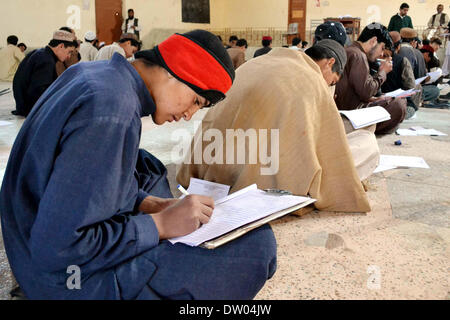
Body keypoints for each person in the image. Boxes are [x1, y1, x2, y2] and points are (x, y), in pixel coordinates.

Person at [0, 29, 277, 300]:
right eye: (195, 101)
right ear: (174, 71)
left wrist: (148, 204)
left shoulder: (97, 74)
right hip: (65, 280)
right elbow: (58, 250)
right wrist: (159, 225)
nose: (189, 114)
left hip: (28, 244)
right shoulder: (111, 110)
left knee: (148, 166)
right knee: (256, 247)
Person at [177, 39, 372, 217]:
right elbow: (321, 149)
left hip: (210, 171)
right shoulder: (312, 80)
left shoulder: (253, 64)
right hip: (261, 183)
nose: (329, 85)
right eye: (333, 81)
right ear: (329, 63)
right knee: (367, 143)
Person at [335, 23, 406, 134]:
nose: (381, 53)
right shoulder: (358, 55)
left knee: (390, 101)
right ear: (373, 41)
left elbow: (357, 90)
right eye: (382, 48)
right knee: (398, 105)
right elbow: (366, 91)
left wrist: (373, 99)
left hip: (347, 108)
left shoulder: (352, 51)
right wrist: (383, 72)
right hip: (350, 114)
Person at [11, 30, 76, 117]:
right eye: (69, 52)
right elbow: (39, 92)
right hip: (31, 110)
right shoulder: (46, 60)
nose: (69, 56)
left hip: (24, 107)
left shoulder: (40, 53)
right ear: (61, 46)